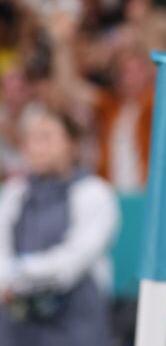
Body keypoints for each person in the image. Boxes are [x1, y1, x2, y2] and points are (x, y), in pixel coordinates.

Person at [0, 105, 120, 346]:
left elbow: (70, 263)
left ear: (73, 145)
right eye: (31, 139)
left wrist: (16, 278)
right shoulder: (15, 192)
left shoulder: (95, 193)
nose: (37, 148)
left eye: (46, 137)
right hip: (18, 322)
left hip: (75, 322)